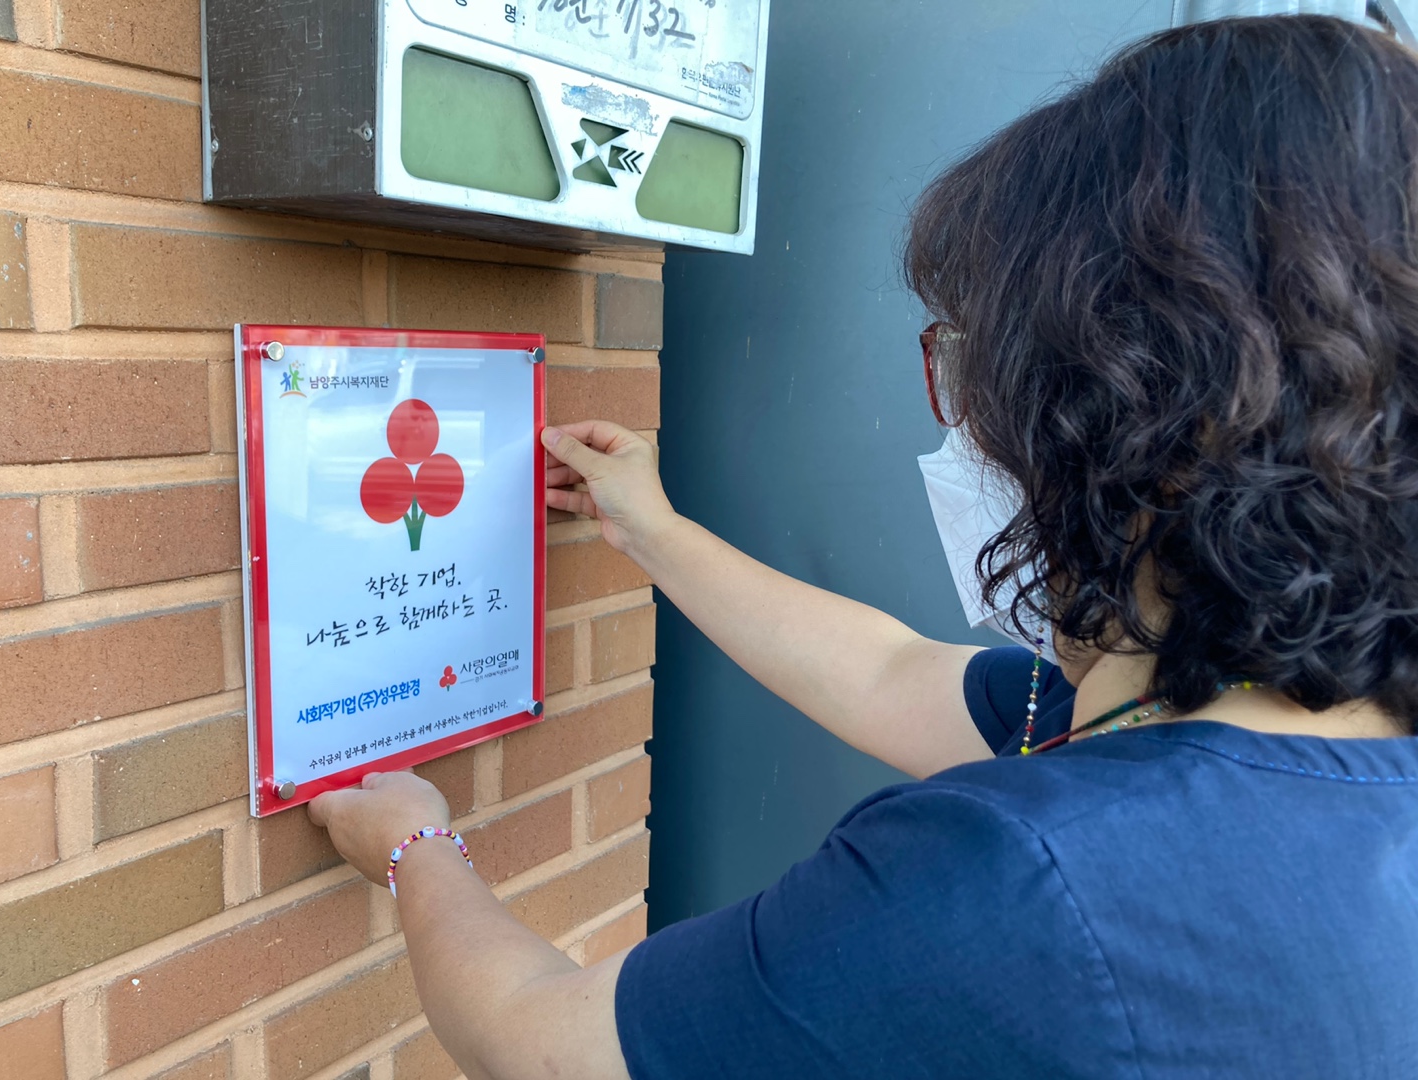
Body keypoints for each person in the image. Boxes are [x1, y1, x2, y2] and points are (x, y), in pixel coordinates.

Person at [309, 15, 1418, 1078]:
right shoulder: (1236, 734)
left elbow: (543, 1047)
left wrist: (414, 848)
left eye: (982, 366)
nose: (969, 429)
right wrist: (651, 526)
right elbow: (889, 671)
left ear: (1142, 412)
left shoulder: (1024, 882)